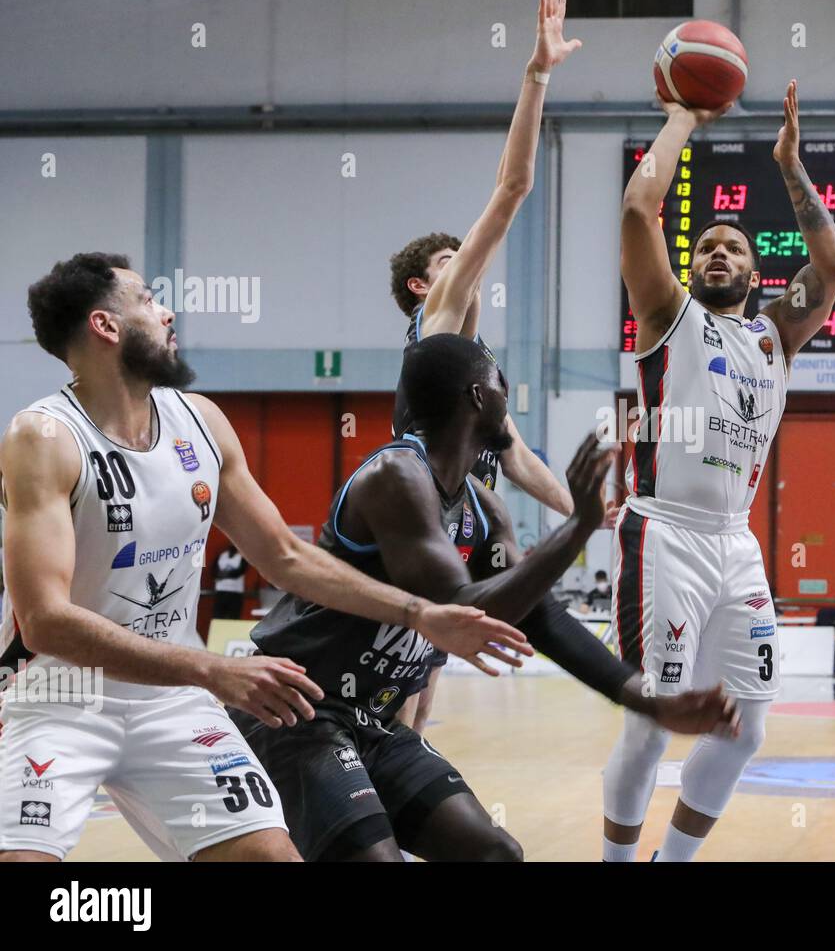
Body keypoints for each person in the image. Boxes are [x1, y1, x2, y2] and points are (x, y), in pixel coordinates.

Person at [0, 254, 523, 864]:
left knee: (273, 858)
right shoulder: (44, 437)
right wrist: (210, 670)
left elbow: (284, 556)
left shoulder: (201, 421)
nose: (168, 311)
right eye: (146, 301)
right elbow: (44, 621)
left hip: (170, 699)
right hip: (67, 697)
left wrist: (419, 614)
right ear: (106, 327)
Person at [229, 335, 738, 861]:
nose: (509, 402)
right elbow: (462, 608)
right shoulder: (397, 476)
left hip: (372, 721)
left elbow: (538, 615)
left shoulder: (484, 507)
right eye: (501, 387)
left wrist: (647, 700)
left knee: (495, 853)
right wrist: (578, 527)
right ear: (477, 396)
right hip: (295, 712)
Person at [603, 79, 835, 862]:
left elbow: (833, 262)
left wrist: (789, 165)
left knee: (746, 727)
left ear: (753, 271)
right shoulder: (668, 315)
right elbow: (641, 213)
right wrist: (682, 117)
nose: (717, 252)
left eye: (733, 247)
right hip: (663, 532)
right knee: (651, 722)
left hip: (734, 544)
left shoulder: (776, 335)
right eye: (706, 244)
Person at [387, 0, 580, 732]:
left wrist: (594, 517)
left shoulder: (474, 363)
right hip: (425, 513)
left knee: (420, 693)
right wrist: (536, 76)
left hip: (460, 515)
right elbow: (513, 188)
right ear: (421, 285)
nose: (466, 262)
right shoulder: (432, 324)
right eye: (450, 259)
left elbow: (519, 458)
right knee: (400, 692)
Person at [212, 543, 249, 620]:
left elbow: (240, 571)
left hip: (235, 591)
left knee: (234, 616)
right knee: (218, 616)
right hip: (221, 590)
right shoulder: (222, 556)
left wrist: (225, 575)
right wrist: (218, 575)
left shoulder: (242, 557)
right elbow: (213, 570)